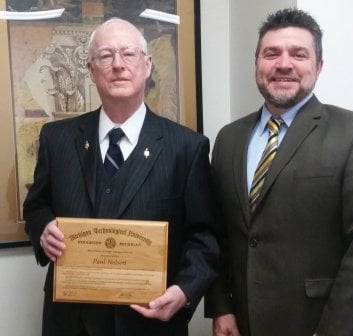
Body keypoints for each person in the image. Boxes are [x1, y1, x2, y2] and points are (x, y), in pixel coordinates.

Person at [204, 7, 353, 336]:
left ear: (318, 66)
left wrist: (333, 330)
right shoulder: (229, 139)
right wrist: (221, 308)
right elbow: (218, 231)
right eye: (271, 53)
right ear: (257, 64)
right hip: (243, 326)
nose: (284, 64)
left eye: (299, 54)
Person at [23, 18, 219, 336]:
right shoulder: (56, 138)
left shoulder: (187, 147)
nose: (118, 65)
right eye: (105, 55)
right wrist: (42, 230)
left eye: (128, 54)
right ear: (89, 69)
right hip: (71, 322)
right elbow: (36, 206)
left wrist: (184, 291)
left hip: (150, 323)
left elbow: (205, 238)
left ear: (147, 64)